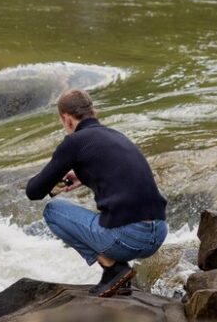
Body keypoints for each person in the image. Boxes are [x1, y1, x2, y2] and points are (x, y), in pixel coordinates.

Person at [25, 89, 168, 298]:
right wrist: (83, 175)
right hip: (158, 233)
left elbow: (34, 192)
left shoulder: (74, 142)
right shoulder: (116, 136)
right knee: (110, 218)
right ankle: (122, 278)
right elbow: (123, 173)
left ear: (67, 119)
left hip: (128, 238)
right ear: (94, 112)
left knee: (53, 211)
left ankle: (113, 269)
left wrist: (49, 177)